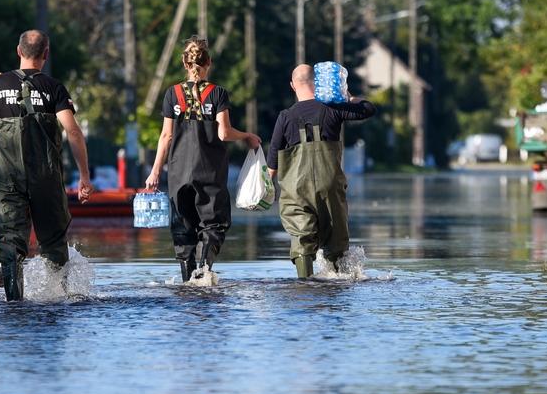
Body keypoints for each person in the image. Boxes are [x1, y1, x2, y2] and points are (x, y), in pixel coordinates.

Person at [0, 30, 93, 302]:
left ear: (18, 51)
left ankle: (14, 301)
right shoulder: (54, 87)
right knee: (53, 239)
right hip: (46, 178)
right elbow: (72, 132)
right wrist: (84, 175)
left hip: (7, 177)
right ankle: (57, 298)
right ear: (46, 54)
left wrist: (0, 117)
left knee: (11, 243)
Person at [146, 36, 261, 282]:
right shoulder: (217, 93)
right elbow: (224, 133)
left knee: (183, 230)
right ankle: (204, 273)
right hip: (209, 172)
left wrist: (155, 171)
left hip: (178, 174)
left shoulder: (172, 94)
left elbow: (166, 136)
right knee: (214, 224)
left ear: (184, 63)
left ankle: (188, 281)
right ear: (208, 62)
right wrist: (247, 136)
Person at [267, 64, 377, 278]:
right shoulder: (333, 109)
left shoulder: (285, 116)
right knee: (336, 241)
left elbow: (273, 157)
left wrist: (265, 187)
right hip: (330, 185)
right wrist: (348, 97)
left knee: (301, 238)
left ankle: (305, 282)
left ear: (292, 86)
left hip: (296, 190)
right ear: (317, 83)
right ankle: (337, 281)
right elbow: (368, 109)